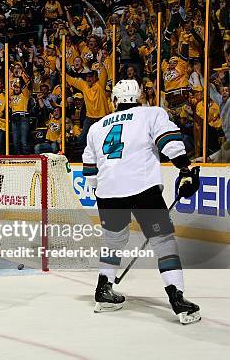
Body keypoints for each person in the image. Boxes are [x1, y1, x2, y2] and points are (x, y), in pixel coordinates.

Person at [82, 80, 201, 325]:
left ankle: (103, 289)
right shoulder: (151, 113)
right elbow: (170, 143)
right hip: (142, 187)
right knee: (163, 241)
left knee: (112, 240)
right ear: (138, 96)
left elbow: (90, 171)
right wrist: (185, 169)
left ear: (114, 100)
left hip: (107, 192)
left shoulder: (97, 127)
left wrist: (102, 193)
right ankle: (177, 297)